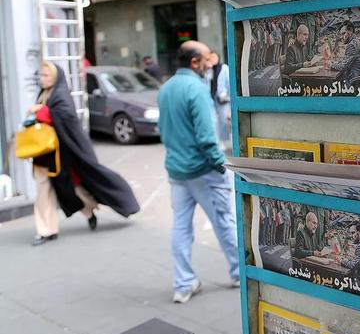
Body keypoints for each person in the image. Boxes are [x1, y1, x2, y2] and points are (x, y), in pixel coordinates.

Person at [157, 40, 239, 303]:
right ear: (194, 62)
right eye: (206, 59)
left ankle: (183, 284)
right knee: (224, 221)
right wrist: (222, 166)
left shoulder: (166, 88)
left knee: (181, 228)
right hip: (204, 171)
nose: (210, 63)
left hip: (177, 171)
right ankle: (239, 272)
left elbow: (163, 130)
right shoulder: (197, 89)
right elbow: (207, 138)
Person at [28, 61, 140, 246]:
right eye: (42, 75)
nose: (43, 78)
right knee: (44, 192)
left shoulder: (60, 95)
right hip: (44, 154)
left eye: (47, 75)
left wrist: (42, 112)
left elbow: (64, 117)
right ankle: (46, 230)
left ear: (55, 77)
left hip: (62, 154)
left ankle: (88, 211)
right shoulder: (44, 94)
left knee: (73, 188)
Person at [330, 21, 360, 86]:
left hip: (353, 79)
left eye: (343, 33)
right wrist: (336, 63)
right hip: (356, 74)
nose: (341, 37)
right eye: (341, 34)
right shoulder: (355, 41)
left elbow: (343, 67)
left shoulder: (352, 45)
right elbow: (346, 61)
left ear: (350, 32)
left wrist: (331, 65)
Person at [207, 51, 231, 147]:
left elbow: (229, 83)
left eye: (214, 57)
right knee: (214, 120)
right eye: (211, 57)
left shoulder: (224, 68)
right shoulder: (208, 69)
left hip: (223, 98)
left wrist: (228, 96)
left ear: (218, 57)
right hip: (211, 98)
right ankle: (216, 141)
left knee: (223, 120)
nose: (213, 59)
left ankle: (224, 141)